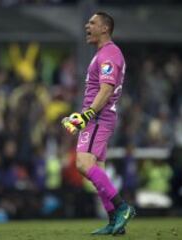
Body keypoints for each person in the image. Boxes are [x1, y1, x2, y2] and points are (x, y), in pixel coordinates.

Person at [61, 11, 135, 235]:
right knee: (98, 169)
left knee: (83, 164)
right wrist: (81, 114)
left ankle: (122, 207)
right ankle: (114, 221)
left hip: (99, 117)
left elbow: (106, 89)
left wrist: (87, 116)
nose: (87, 26)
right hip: (98, 116)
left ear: (105, 28)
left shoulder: (109, 53)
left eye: (92, 23)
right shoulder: (104, 53)